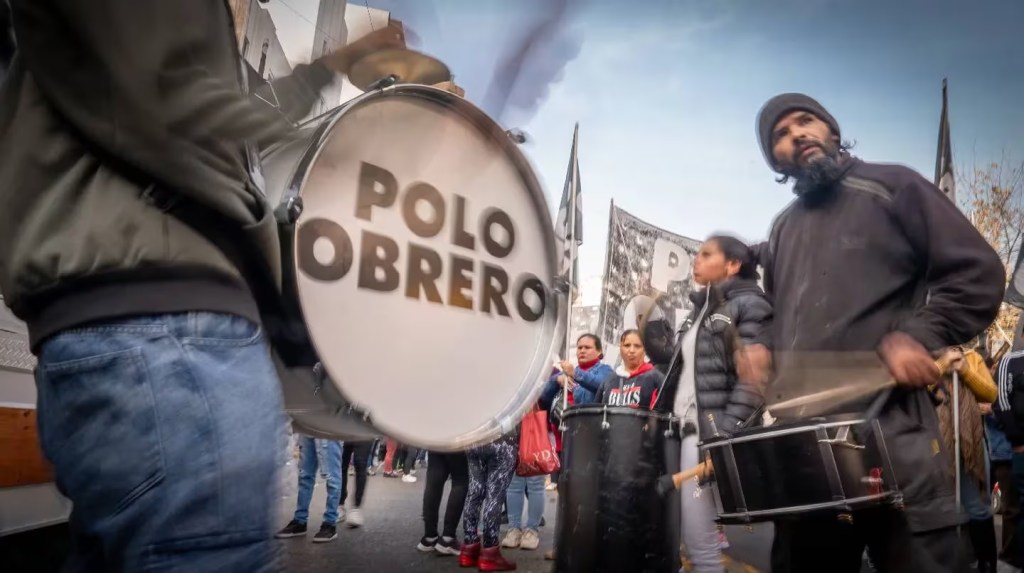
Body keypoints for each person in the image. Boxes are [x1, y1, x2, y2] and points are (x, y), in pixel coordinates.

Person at [0, 2, 404, 568]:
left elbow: (191, 106)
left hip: (136, 327)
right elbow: (180, 106)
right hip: (166, 331)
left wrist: (334, 66)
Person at [754, 93, 1005, 573]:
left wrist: (919, 333)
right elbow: (777, 311)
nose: (796, 135)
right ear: (776, 160)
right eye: (780, 136)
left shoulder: (893, 185)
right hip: (806, 442)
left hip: (895, 430)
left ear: (830, 129)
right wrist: (763, 348)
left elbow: (976, 273)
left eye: (805, 122)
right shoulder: (782, 229)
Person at [644, 234, 772, 573]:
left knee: (701, 543)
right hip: (687, 432)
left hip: (710, 434)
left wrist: (723, 437)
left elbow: (752, 382)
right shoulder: (702, 310)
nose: (696, 260)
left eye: (706, 254)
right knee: (694, 537)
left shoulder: (748, 305)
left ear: (732, 265)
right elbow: (680, 366)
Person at [458, 431, 520, 571]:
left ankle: (469, 549)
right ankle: (490, 553)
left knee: (474, 492)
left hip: (473, 437)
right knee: (495, 496)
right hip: (502, 438)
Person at [276, 436, 344, 543]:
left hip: (329, 426)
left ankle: (330, 523)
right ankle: (300, 521)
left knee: (332, 477)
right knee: (305, 475)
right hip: (309, 426)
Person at [417, 450, 469, 556]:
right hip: (457, 439)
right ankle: (448, 538)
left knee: (434, 478)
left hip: (435, 437)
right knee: (460, 480)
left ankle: (429, 537)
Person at [597, 329, 663, 410]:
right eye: (627, 345)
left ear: (645, 350)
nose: (632, 350)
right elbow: (597, 413)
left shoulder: (656, 378)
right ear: (620, 348)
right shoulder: (608, 380)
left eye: (637, 346)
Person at [339, 440, 373, 528]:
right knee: (340, 464)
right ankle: (340, 504)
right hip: (343, 429)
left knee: (360, 463)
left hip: (364, 430)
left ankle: (356, 508)